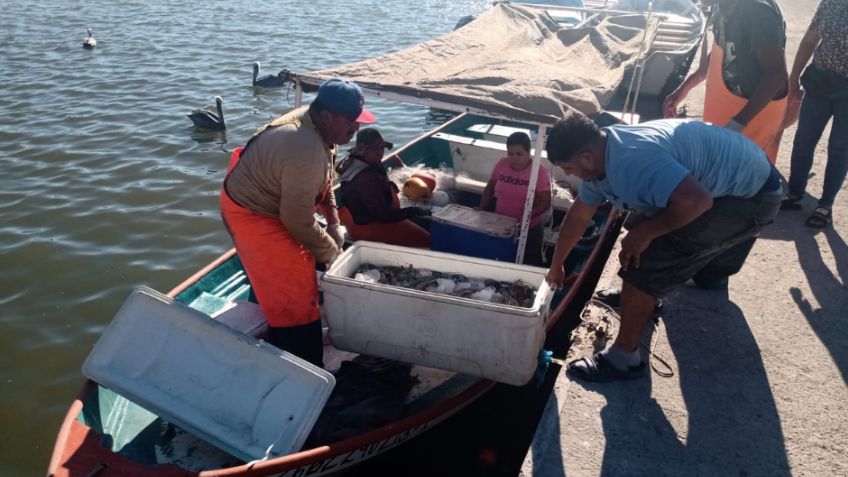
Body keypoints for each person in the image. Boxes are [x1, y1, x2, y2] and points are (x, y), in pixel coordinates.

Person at [545, 113, 781, 381]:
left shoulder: (632, 162)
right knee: (638, 225)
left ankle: (624, 359)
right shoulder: (606, 147)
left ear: (586, 157)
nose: (567, 174)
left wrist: (648, 233)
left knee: (644, 263)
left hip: (751, 198)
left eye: (567, 167)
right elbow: (579, 215)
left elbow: (697, 202)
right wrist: (557, 265)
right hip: (738, 178)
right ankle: (667, 292)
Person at [220, 77, 375, 367]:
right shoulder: (303, 146)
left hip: (281, 201)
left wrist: (332, 223)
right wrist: (332, 254)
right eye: (351, 122)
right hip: (254, 214)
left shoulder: (323, 129)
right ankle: (300, 361)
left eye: (359, 122)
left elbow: (325, 183)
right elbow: (297, 220)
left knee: (313, 256)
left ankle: (268, 299)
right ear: (327, 116)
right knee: (297, 306)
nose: (356, 130)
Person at [662, 0, 788, 164]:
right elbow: (720, 53)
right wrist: (682, 91)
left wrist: (738, 123)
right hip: (729, 112)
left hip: (754, 117)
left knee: (744, 178)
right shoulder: (723, 7)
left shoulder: (757, 13)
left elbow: (776, 74)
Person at [780, 0, 848, 228]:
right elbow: (810, 40)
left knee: (840, 147)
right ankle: (795, 193)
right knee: (803, 140)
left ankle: (825, 205)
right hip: (820, 81)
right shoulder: (831, 3)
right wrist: (793, 78)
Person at [337, 128, 431, 248]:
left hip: (355, 222)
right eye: (374, 149)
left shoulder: (355, 161)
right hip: (371, 227)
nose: (380, 153)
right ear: (363, 150)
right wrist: (414, 211)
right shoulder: (367, 177)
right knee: (428, 241)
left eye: (381, 148)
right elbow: (383, 215)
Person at [479, 131, 552, 266]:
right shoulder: (502, 164)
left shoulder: (539, 172)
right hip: (501, 226)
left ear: (528, 152)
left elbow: (546, 202)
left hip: (528, 229)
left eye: (519, 154)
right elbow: (490, 188)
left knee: (528, 263)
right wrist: (481, 209)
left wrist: (526, 217)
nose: (514, 158)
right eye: (510, 153)